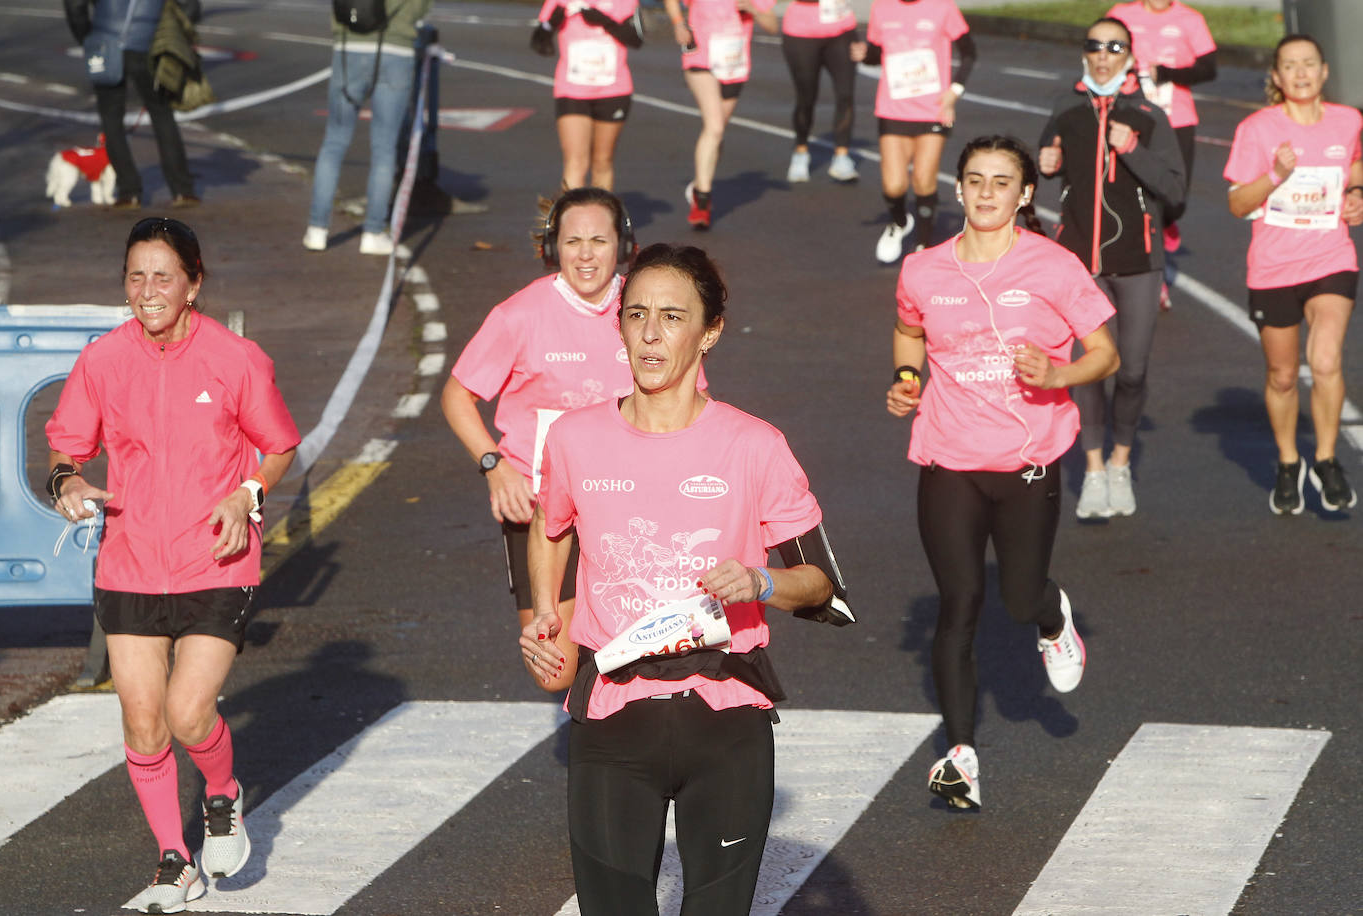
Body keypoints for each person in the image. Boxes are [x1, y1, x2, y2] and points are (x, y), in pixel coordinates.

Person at [525, 244, 844, 913]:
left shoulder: (754, 445)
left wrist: (760, 582)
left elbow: (821, 588)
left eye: (672, 317)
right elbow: (549, 524)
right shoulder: (574, 439)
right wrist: (542, 613)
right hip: (612, 719)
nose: (649, 333)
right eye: (636, 314)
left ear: (710, 332)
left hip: (725, 720)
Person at [44, 217, 300, 912]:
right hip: (128, 564)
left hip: (217, 562)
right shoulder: (103, 359)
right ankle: (171, 860)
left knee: (189, 715)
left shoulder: (236, 358)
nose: (148, 291)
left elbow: (278, 445)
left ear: (194, 283)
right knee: (141, 720)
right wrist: (67, 484)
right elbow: (67, 446)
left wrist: (245, 493)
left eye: (163, 277)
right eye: (136, 277)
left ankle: (222, 795)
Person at [888, 135, 1118, 809]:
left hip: (1026, 458)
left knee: (1017, 599)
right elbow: (909, 332)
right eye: (976, 180)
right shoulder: (924, 269)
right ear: (958, 189)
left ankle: (1051, 619)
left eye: (1002, 182)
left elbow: (1103, 352)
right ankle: (960, 754)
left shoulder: (1055, 267)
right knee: (958, 604)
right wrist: (906, 378)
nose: (987, 193)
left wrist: (1060, 372)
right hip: (947, 456)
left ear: (1025, 195)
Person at [441, 188, 640, 691]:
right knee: (555, 672)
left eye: (599, 240)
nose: (586, 254)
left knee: (636, 645)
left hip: (632, 504)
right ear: (555, 247)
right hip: (544, 509)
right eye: (573, 241)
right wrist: (495, 466)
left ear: (623, 243)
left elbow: (692, 401)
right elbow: (457, 395)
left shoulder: (645, 309)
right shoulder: (519, 315)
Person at [1038, 16, 1185, 519]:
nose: (1103, 54)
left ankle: (1122, 462)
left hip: (1139, 261)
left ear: (1129, 57)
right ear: (1085, 53)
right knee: (1089, 371)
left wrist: (1132, 150)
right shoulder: (1065, 108)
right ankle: (1096, 469)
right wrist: (1045, 163)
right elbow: (1042, 165)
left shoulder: (1147, 114)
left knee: (1133, 370)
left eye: (1114, 46)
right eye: (1094, 45)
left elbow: (1176, 189)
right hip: (1082, 262)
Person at [1224, 34, 1363, 514]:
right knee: (1283, 376)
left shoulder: (1348, 121)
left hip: (1331, 259)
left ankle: (1325, 458)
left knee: (1325, 362)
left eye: (1309, 64)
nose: (1300, 73)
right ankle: (1289, 462)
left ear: (1324, 72)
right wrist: (1275, 177)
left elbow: (1355, 162)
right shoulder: (1257, 129)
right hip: (1274, 265)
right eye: (1290, 66)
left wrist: (1357, 192)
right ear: (1277, 78)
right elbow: (1238, 202)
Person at [1106, 0, 1217, 309]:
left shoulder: (1190, 19)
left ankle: (1167, 226)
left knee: (1173, 201)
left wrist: (1167, 72)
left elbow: (1209, 68)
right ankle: (1151, 281)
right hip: (1128, 115)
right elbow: (1098, 57)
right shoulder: (1121, 15)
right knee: (1132, 198)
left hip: (1176, 119)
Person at [303, 0, 433, 255]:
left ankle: (316, 229)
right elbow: (420, 7)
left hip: (348, 47)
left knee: (334, 142)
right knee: (384, 148)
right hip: (396, 50)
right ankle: (373, 231)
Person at [851, 0, 976, 264]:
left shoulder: (943, 6)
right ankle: (899, 222)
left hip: (932, 110)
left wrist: (954, 92)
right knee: (894, 185)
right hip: (893, 109)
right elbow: (876, 54)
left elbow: (969, 52)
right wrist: (864, 54)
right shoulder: (881, 7)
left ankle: (923, 244)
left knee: (923, 180)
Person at [63, 0, 200, 210]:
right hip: (151, 43)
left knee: (111, 119)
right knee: (162, 114)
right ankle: (182, 190)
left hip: (105, 42)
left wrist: (87, 36)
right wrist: (173, 34)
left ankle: (129, 192)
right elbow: (190, 6)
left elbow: (75, 6)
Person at [663, 0, 779, 229]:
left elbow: (773, 26)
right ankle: (702, 202)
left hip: (734, 64)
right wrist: (678, 22)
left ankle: (699, 183)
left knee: (716, 132)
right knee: (714, 126)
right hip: (700, 58)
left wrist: (753, 10)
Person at [529, 0, 643, 190]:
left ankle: (602, 218)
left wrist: (604, 21)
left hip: (613, 89)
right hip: (572, 90)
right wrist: (552, 23)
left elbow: (636, 40)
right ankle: (570, 218)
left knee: (603, 161)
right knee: (575, 162)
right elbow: (539, 42)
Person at [780, 0, 863, 184]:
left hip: (842, 30)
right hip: (801, 33)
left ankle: (842, 156)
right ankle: (801, 151)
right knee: (806, 98)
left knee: (846, 94)